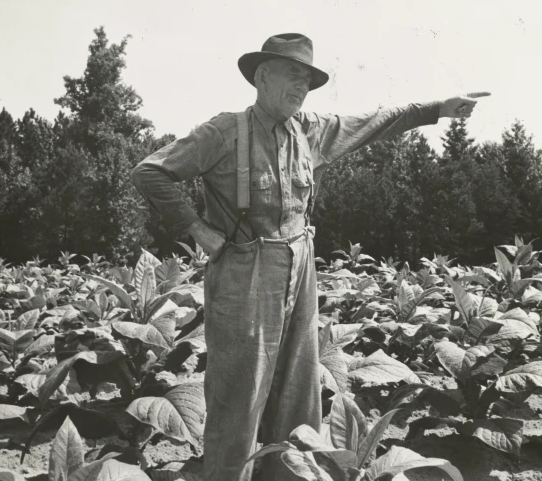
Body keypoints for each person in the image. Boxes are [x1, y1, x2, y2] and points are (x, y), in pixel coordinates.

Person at [131, 33, 490, 481]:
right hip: (246, 266)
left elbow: (377, 120)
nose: (301, 89)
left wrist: (438, 108)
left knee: (300, 388)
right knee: (239, 393)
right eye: (293, 76)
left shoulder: (312, 130)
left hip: (300, 265)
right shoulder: (223, 132)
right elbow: (151, 171)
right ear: (262, 77)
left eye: (308, 81)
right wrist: (197, 229)